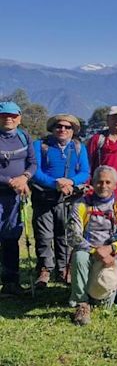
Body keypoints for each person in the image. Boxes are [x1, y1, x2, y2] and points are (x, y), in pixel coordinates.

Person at [67, 165, 117, 325]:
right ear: (92, 182)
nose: (103, 186)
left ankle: (98, 298)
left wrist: (111, 249)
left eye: (108, 182)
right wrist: (94, 250)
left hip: (113, 255)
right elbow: (73, 236)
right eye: (99, 182)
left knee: (102, 298)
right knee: (79, 257)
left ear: (115, 185)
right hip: (88, 251)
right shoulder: (81, 204)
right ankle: (81, 303)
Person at [32, 114, 90, 287]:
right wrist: (54, 183)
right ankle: (45, 269)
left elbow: (85, 172)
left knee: (65, 235)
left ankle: (63, 269)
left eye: (67, 127)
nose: (63, 129)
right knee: (44, 235)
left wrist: (71, 182)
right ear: (52, 129)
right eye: (59, 126)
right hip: (44, 197)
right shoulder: (40, 146)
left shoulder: (79, 147)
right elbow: (35, 171)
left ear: (73, 131)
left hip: (68, 198)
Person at [0, 101, 36, 295]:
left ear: (19, 118)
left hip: (15, 198)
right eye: (4, 115)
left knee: (11, 236)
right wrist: (9, 181)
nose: (9, 118)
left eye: (13, 115)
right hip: (4, 192)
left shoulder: (24, 137)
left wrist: (24, 178)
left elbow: (32, 163)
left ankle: (10, 282)